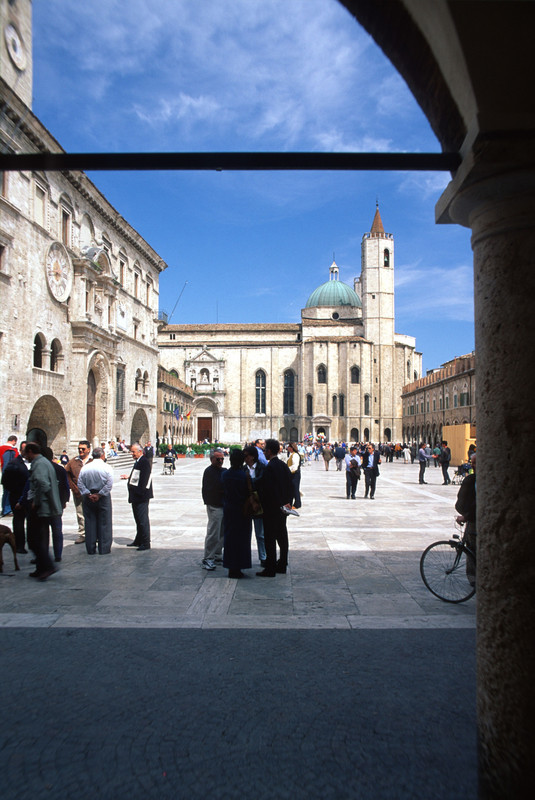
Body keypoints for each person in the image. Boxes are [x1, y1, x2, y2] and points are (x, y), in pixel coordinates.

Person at [256, 439, 293, 577]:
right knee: (282, 537)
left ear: (270, 451)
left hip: (272, 509)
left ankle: (270, 567)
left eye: (265, 450)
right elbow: (291, 485)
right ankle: (282, 564)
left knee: (270, 538)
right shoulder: (283, 465)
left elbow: (268, 490)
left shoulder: (270, 467)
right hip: (283, 508)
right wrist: (288, 502)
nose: (264, 452)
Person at [24, 442, 61, 581]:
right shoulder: (44, 462)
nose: (24, 456)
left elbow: (43, 484)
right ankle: (41, 567)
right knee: (39, 538)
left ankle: (47, 566)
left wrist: (36, 501)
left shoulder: (39, 464)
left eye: (25, 452)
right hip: (45, 507)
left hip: (41, 508)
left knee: (34, 539)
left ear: (30, 452)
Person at [221, 448, 252, 579]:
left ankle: (230, 566)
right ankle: (239, 566)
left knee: (229, 538)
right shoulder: (244, 475)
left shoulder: (225, 475)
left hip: (229, 509)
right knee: (242, 539)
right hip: (242, 510)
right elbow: (249, 492)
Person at [78, 446, 114, 554]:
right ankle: (104, 548)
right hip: (102, 497)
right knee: (105, 523)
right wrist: (99, 494)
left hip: (88, 496)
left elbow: (80, 483)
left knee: (89, 522)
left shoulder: (85, 468)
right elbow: (109, 484)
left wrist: (88, 494)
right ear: (102, 455)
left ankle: (90, 548)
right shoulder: (107, 467)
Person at [121, 443, 153, 550]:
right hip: (136, 495)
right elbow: (138, 475)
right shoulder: (139, 461)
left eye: (133, 452)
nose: (132, 454)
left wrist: (139, 492)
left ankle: (145, 542)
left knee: (142, 519)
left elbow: (144, 478)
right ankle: (138, 540)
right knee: (138, 519)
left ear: (140, 452)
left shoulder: (144, 461)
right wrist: (129, 477)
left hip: (141, 496)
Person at [1, 440, 29, 553]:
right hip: (17, 497)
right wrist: (16, 492)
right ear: (21, 450)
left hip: (31, 498)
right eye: (25, 449)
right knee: (18, 522)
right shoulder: (13, 463)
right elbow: (5, 481)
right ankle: (19, 545)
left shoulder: (35, 462)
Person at [201, 449, 227, 569]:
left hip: (222, 505)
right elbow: (212, 488)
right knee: (213, 532)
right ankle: (208, 558)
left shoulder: (222, 471)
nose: (221, 461)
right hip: (214, 505)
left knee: (221, 532)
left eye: (222, 459)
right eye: (218, 459)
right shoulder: (209, 471)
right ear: (212, 459)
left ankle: (217, 555)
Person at [44, 447, 70, 563]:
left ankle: (43, 555)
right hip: (58, 503)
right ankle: (58, 554)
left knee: (43, 531)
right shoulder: (60, 469)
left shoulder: (41, 468)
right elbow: (65, 486)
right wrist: (64, 501)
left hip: (44, 504)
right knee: (57, 530)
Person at [65, 441, 93, 544]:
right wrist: (73, 487)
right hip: (78, 492)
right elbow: (66, 473)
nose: (81, 450)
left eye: (83, 449)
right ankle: (83, 534)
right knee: (80, 513)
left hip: (91, 492)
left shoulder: (92, 461)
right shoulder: (73, 461)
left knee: (92, 513)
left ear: (88, 449)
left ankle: (93, 534)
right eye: (79, 449)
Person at [455, 453, 477, 586]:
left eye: (475, 463)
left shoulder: (472, 480)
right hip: (471, 517)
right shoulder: (472, 479)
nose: (473, 465)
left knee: (472, 547)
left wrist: (465, 516)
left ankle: (474, 577)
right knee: (471, 547)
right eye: (472, 463)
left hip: (474, 519)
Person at [243, 445, 266, 566]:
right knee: (245, 533)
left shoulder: (262, 468)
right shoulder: (242, 469)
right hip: (246, 504)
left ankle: (263, 557)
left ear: (252, 456)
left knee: (260, 533)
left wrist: (248, 482)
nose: (244, 458)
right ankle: (244, 558)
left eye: (246, 456)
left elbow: (263, 482)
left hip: (259, 504)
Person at [0, 435, 19, 516]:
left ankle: (4, 508)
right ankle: (8, 509)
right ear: (14, 441)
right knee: (10, 492)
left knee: (5, 492)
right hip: (11, 473)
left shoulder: (1, 448)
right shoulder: (13, 451)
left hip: (3, 472)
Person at [286, 442, 302, 509]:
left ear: (291, 447)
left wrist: (287, 470)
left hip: (294, 474)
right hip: (292, 474)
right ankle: (291, 503)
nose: (287, 448)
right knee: (292, 489)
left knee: (295, 489)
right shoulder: (291, 454)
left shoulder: (295, 455)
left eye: (288, 447)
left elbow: (295, 466)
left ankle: (297, 504)